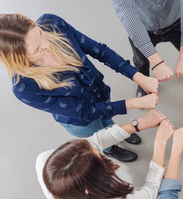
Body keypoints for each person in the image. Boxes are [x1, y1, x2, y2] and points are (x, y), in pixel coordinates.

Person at [0, 13, 159, 162]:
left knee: (108, 120)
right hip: (81, 120)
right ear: (19, 58)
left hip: (100, 93)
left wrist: (139, 76)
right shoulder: (24, 87)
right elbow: (85, 112)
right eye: (36, 49)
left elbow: (100, 51)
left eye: (40, 33)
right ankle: (111, 149)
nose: (46, 44)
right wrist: (136, 103)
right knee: (100, 135)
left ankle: (118, 132)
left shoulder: (52, 24)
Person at [36, 110, 174, 199]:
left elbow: (97, 140)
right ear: (91, 184)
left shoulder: (44, 160)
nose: (97, 148)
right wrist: (160, 142)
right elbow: (151, 190)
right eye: (100, 158)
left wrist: (138, 124)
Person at [107, 0, 183, 96]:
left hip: (176, 20)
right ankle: (144, 82)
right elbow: (126, 12)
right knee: (141, 61)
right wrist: (157, 63)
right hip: (142, 28)